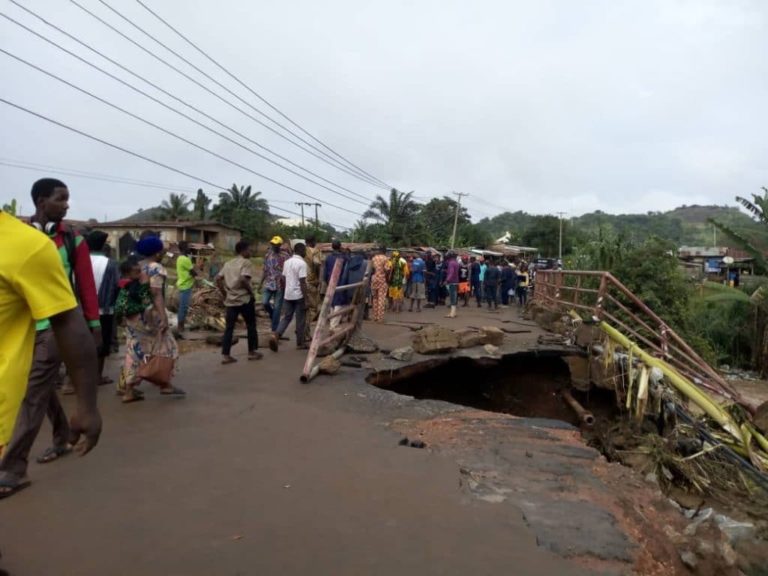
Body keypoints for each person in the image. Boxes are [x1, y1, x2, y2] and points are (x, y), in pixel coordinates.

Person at [0, 184, 101, 500]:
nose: (67, 206)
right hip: (22, 326)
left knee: (32, 392)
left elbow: (84, 284)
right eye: (61, 199)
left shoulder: (73, 241)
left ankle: (13, 468)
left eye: (69, 199)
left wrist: (94, 324)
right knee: (38, 390)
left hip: (52, 326)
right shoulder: (23, 234)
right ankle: (60, 436)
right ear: (41, 202)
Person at [118, 234, 184, 403]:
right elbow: (156, 294)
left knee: (133, 349)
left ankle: (128, 389)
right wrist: (163, 317)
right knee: (168, 347)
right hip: (150, 316)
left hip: (133, 315)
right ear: (156, 252)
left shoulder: (136, 266)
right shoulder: (156, 268)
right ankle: (165, 383)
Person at [216, 240, 262, 364]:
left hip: (231, 300)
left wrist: (225, 293)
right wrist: (251, 292)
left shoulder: (228, 263)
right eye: (249, 250)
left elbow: (218, 279)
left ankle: (226, 355)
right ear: (243, 251)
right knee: (251, 325)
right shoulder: (246, 262)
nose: (251, 252)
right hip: (244, 299)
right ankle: (251, 352)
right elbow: (243, 279)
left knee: (229, 328)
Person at [87, 230, 120, 384]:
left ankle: (74, 379)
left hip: (81, 311)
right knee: (101, 344)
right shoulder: (111, 264)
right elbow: (117, 286)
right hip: (105, 311)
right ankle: (97, 377)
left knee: (80, 344)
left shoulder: (79, 261)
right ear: (103, 245)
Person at [270, 243, 308, 351]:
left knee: (287, 317)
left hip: (288, 294)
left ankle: (276, 335)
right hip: (299, 295)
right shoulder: (302, 263)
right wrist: (306, 299)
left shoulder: (287, 262)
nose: (305, 252)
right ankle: (300, 343)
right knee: (300, 319)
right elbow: (303, 283)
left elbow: (283, 278)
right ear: (301, 250)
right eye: (305, 250)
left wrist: (287, 289)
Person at [260, 236, 286, 333]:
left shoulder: (285, 256)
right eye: (272, 244)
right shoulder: (267, 255)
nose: (274, 246)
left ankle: (275, 331)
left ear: (280, 245)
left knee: (277, 307)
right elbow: (265, 270)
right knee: (265, 302)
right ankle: (272, 315)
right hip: (269, 283)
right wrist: (260, 283)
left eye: (276, 245)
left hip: (280, 284)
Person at [324, 239, 348, 328]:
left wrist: (326, 281)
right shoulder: (343, 258)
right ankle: (333, 325)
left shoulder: (328, 257)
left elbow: (325, 273)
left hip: (330, 282)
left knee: (331, 302)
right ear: (340, 246)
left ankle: (332, 323)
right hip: (340, 282)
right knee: (338, 303)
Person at [303, 235, 322, 341]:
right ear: (313, 241)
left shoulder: (300, 251)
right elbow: (317, 264)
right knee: (312, 309)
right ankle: (306, 332)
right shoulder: (315, 252)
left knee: (303, 309)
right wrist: (318, 278)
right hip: (311, 282)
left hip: (300, 282)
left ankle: (302, 330)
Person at [175, 241, 196, 335]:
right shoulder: (185, 259)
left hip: (182, 284)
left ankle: (181, 326)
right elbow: (193, 272)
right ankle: (180, 328)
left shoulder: (180, 258)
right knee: (183, 307)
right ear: (184, 248)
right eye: (188, 247)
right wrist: (197, 270)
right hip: (186, 285)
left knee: (183, 307)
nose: (189, 249)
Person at [370, 245, 389, 322]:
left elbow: (371, 268)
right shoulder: (386, 259)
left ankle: (375, 316)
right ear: (385, 251)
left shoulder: (374, 258)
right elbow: (387, 269)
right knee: (381, 298)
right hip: (382, 279)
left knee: (374, 298)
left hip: (374, 279)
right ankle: (380, 318)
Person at [443, 251, 460, 318]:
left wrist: (447, 280)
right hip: (456, 281)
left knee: (452, 297)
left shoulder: (451, 263)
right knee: (454, 297)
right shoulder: (456, 263)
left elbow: (451, 273)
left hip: (452, 282)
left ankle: (452, 313)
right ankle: (454, 312)